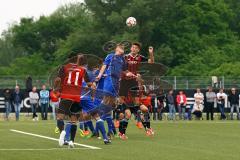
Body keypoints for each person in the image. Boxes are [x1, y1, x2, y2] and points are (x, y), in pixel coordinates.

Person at [96, 44, 135, 140]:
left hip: (117, 82)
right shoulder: (110, 56)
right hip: (109, 80)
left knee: (110, 105)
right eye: (121, 47)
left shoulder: (123, 60)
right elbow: (104, 66)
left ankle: (108, 129)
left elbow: (125, 71)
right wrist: (100, 75)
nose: (123, 49)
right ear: (116, 49)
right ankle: (97, 116)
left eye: (123, 48)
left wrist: (130, 73)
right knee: (106, 101)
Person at [117, 42, 154, 137]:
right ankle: (119, 121)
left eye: (135, 48)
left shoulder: (140, 57)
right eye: (132, 47)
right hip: (125, 81)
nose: (133, 49)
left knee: (138, 105)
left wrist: (151, 53)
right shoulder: (125, 57)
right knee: (121, 103)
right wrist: (125, 73)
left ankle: (146, 127)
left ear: (138, 50)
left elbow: (151, 62)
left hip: (133, 81)